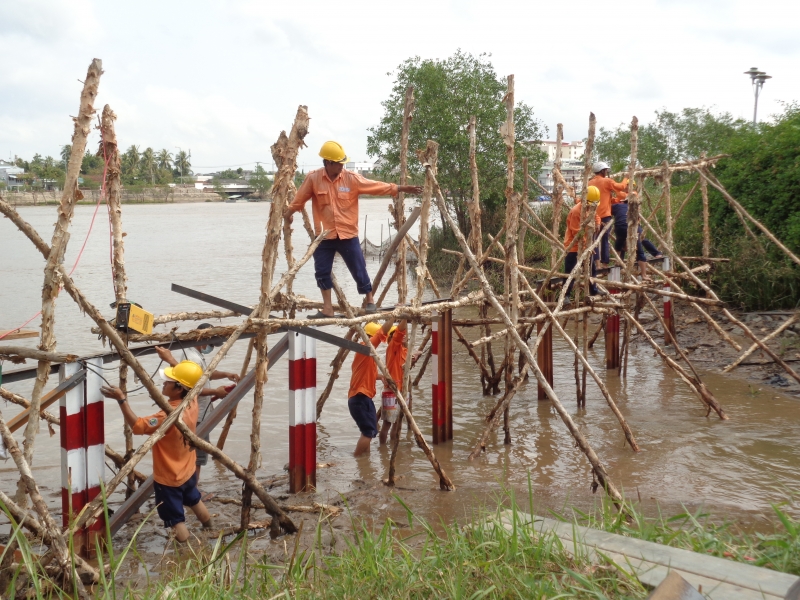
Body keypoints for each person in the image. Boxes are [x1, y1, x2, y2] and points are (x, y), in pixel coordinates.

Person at [283, 141, 423, 318]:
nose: (342, 166)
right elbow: (299, 199)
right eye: (339, 163)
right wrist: (288, 214)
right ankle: (327, 308)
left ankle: (370, 300)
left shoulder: (351, 178)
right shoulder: (313, 179)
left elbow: (376, 187)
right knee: (321, 271)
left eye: (343, 163)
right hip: (324, 236)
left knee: (359, 267)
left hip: (347, 233)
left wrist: (401, 188)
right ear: (328, 163)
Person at [100, 360, 213, 543]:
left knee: (175, 519)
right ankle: (210, 529)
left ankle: (187, 553)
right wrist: (171, 359)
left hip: (170, 477)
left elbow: (137, 426)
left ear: (178, 389)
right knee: (194, 498)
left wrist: (121, 400)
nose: (164, 383)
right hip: (188, 468)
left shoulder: (165, 416)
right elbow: (191, 380)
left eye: (168, 382)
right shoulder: (192, 400)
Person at [154, 323, 240, 487]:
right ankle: (193, 493)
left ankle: (190, 490)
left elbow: (205, 375)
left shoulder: (195, 355)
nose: (211, 348)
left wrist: (226, 374)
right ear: (203, 339)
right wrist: (216, 392)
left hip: (198, 412)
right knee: (197, 456)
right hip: (197, 414)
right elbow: (193, 388)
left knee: (194, 453)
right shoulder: (191, 358)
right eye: (211, 344)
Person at [347, 319, 395, 456]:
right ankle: (356, 457)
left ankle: (364, 463)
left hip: (359, 398)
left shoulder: (363, 355)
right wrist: (393, 316)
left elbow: (368, 375)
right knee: (368, 432)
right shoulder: (365, 348)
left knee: (368, 431)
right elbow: (382, 333)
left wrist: (380, 376)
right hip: (360, 398)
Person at [378, 316, 421, 445]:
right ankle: (383, 448)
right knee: (387, 424)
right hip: (392, 390)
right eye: (402, 335)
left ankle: (392, 447)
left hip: (402, 390)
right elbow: (399, 332)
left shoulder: (404, 350)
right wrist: (405, 317)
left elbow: (406, 364)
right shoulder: (392, 348)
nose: (405, 336)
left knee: (397, 423)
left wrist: (415, 356)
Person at [611, 189, 663, 280]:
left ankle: (618, 261)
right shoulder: (635, 208)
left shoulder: (617, 206)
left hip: (619, 228)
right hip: (632, 228)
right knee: (640, 251)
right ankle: (644, 275)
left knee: (619, 245)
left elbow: (608, 210)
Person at [563, 185, 601, 300]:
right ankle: (566, 295)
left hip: (586, 244)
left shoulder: (590, 208)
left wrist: (598, 223)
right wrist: (587, 246)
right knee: (570, 271)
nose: (592, 207)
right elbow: (576, 232)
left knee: (591, 268)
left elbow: (596, 215)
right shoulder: (576, 211)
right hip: (573, 246)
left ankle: (593, 290)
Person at [588, 161, 629, 268]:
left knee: (594, 240)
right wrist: (626, 177)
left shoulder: (589, 183)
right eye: (606, 170)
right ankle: (605, 263)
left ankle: (596, 264)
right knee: (604, 239)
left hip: (592, 216)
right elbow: (621, 187)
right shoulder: (606, 181)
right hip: (605, 216)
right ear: (602, 171)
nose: (606, 172)